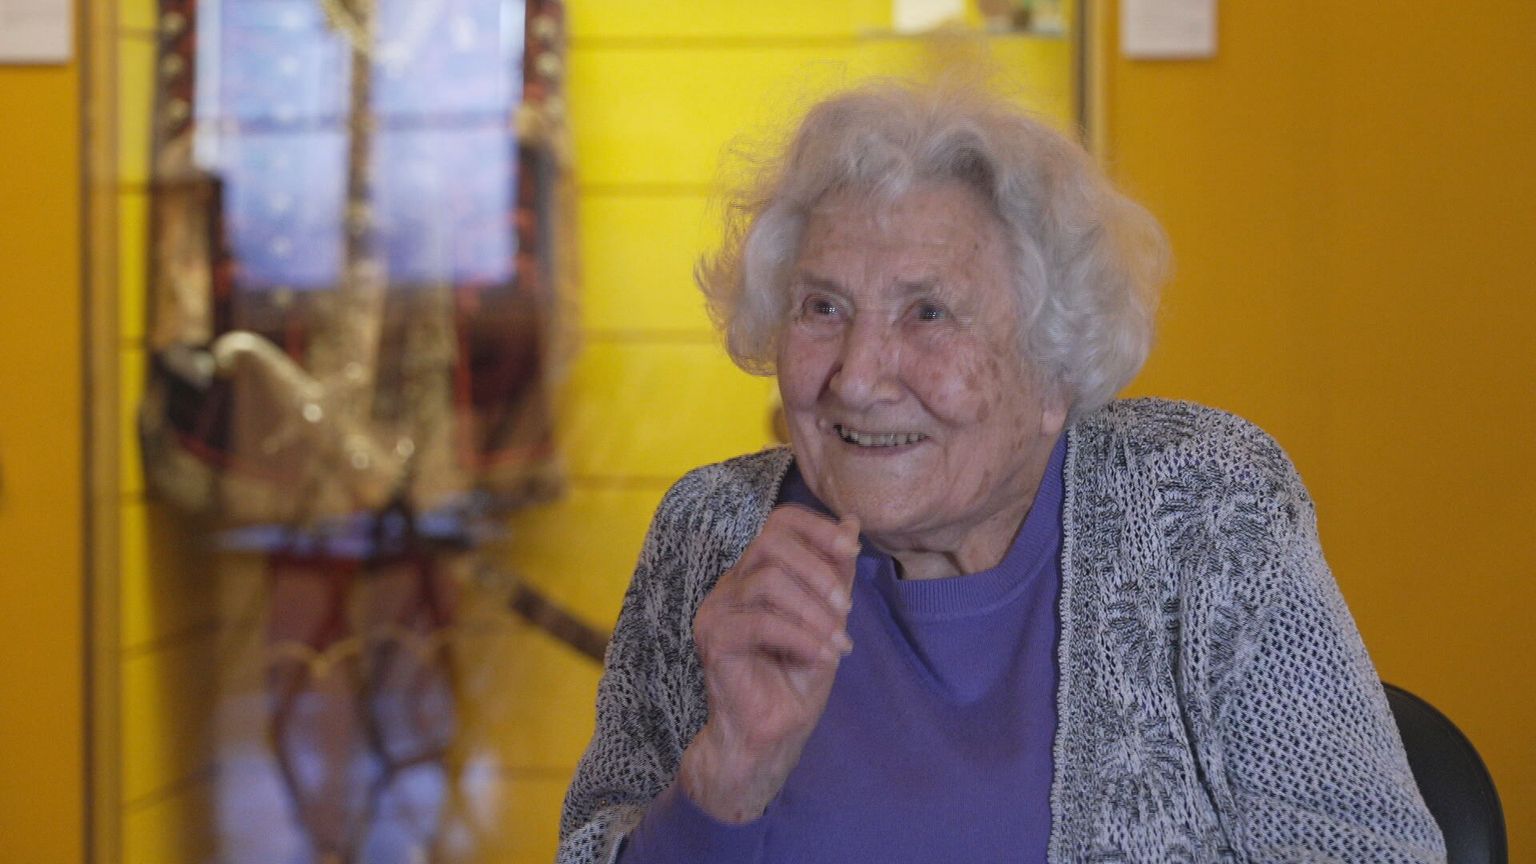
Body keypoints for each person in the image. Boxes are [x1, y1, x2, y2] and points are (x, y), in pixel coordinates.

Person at [557, 79, 1445, 863]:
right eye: (823, 307)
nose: (857, 378)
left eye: (928, 313)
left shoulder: (1205, 511)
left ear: (1053, 367)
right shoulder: (709, 533)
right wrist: (725, 776)